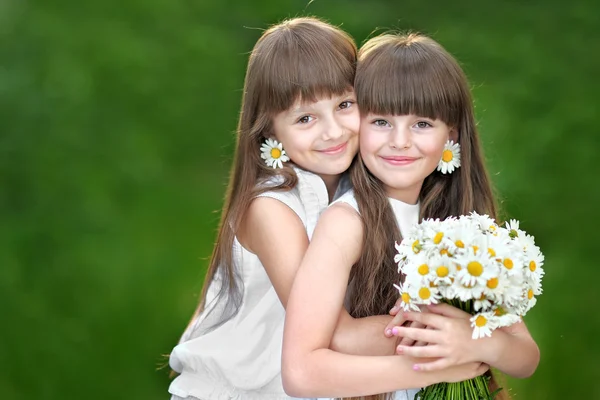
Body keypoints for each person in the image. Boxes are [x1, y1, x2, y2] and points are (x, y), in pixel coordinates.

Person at [282, 33, 540, 400]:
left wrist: (478, 343)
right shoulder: (347, 222)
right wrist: (427, 365)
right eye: (381, 122)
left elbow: (525, 358)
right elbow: (300, 372)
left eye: (421, 124)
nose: (400, 141)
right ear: (358, 124)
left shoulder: (461, 227)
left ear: (451, 133)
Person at [168, 18, 406, 400]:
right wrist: (446, 337)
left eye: (345, 104)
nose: (332, 131)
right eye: (305, 118)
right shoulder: (271, 209)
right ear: (270, 131)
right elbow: (334, 333)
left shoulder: (359, 191)